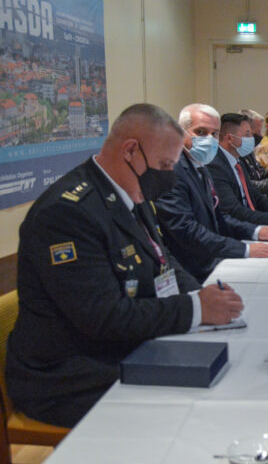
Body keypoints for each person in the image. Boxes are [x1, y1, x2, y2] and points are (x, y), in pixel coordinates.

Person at [6, 103, 244, 428]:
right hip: (70, 376)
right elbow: (103, 317)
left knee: (229, 368)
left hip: (122, 346)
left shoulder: (128, 190)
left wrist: (201, 294)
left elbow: (163, 259)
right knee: (201, 408)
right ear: (131, 151)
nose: (169, 176)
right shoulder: (66, 214)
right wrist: (196, 309)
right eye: (165, 165)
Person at [155, 104, 268, 282]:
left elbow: (218, 217)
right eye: (200, 132)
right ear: (181, 132)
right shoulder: (172, 171)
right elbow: (185, 229)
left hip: (214, 258)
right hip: (192, 270)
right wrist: (244, 249)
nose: (209, 139)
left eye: (214, 133)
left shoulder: (201, 165)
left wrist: (255, 231)